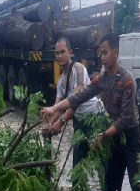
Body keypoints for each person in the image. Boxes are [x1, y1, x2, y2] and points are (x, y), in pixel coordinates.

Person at [41, 33, 140, 191]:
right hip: (114, 139)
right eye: (100, 53)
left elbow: (126, 119)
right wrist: (53, 109)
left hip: (130, 139)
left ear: (115, 52)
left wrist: (103, 135)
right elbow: (79, 97)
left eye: (105, 53)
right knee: (110, 188)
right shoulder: (101, 79)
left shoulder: (128, 81)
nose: (101, 58)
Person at [43, 37, 103, 167]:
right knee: (78, 165)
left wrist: (61, 122)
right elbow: (57, 107)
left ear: (70, 53)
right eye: (57, 53)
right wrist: (50, 123)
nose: (59, 56)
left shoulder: (79, 69)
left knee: (101, 162)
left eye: (63, 52)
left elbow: (76, 101)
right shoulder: (60, 82)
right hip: (79, 122)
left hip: (95, 119)